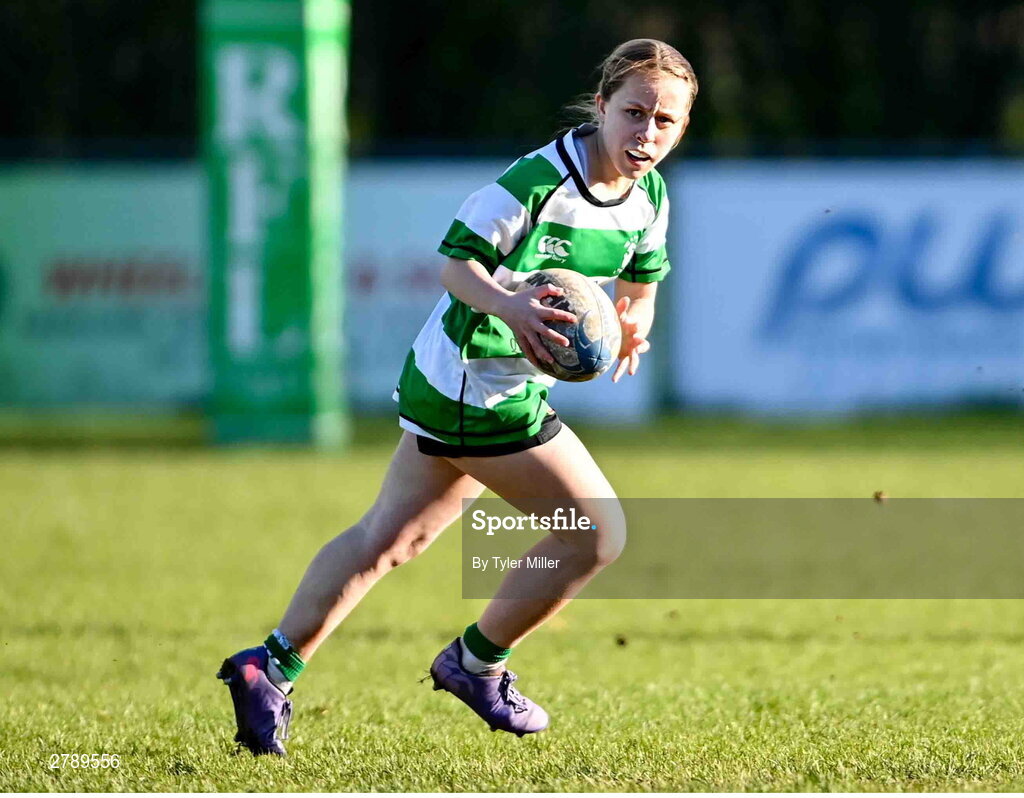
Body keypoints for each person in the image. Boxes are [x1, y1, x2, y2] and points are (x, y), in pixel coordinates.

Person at [217, 38, 698, 755]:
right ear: (600, 107)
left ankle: (268, 668)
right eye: (634, 113)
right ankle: (476, 665)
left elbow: (644, 276)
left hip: (461, 382)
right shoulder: (537, 181)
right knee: (597, 533)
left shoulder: (649, 197)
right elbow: (456, 267)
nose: (647, 134)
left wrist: (632, 322)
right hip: (476, 386)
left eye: (666, 123)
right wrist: (511, 307)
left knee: (390, 539)